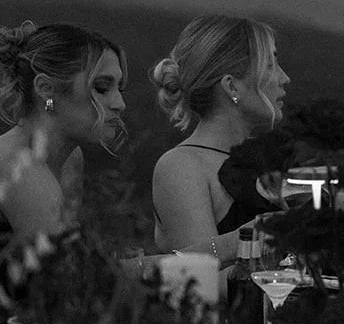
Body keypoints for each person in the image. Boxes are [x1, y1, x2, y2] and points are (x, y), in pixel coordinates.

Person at [150, 15, 288, 264]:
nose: (284, 78)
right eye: (270, 65)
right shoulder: (182, 166)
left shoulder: (265, 163)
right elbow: (198, 282)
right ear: (232, 87)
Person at [0, 22, 128, 246]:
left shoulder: (70, 157)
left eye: (119, 88)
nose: (120, 104)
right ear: (45, 89)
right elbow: (68, 270)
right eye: (101, 88)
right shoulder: (19, 164)